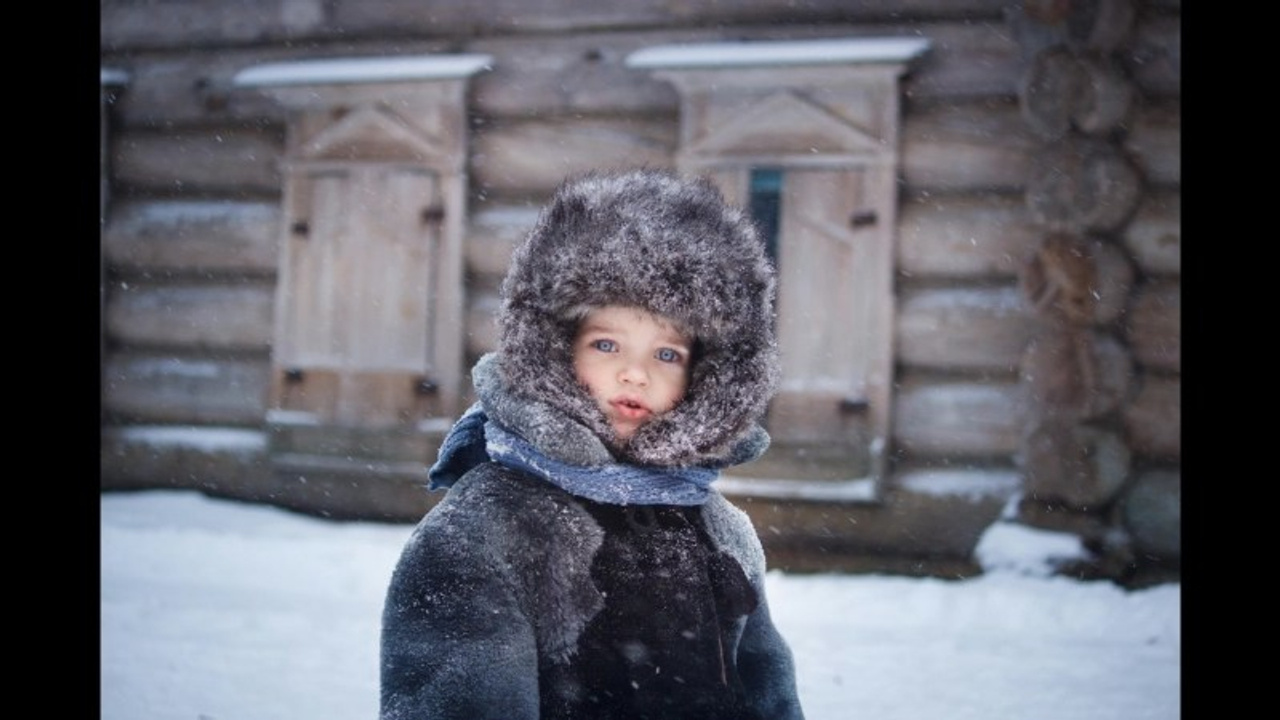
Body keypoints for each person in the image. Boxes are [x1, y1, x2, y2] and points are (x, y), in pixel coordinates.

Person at [380, 168, 805, 720]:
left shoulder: (721, 529)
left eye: (667, 354)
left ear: (708, 373)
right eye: (607, 344)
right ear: (554, 346)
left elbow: (768, 693)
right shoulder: (482, 531)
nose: (636, 373)